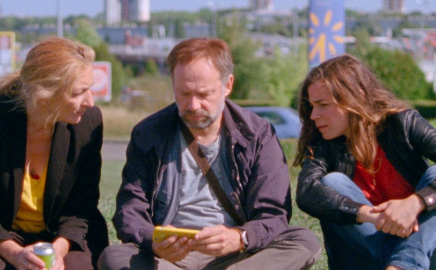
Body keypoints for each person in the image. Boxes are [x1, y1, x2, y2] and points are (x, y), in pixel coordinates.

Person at [98, 38, 321, 270]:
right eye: (184, 93)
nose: (193, 105)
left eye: (203, 94)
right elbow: (130, 209)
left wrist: (240, 237)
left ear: (228, 85)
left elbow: (274, 214)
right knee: (114, 257)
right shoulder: (148, 133)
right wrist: (152, 241)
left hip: (237, 256)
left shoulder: (257, 134)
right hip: (168, 258)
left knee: (304, 241)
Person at [0, 37, 109, 270]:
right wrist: (15, 254)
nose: (90, 101)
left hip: (65, 236)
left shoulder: (88, 122)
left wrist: (58, 251)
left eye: (90, 89)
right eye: (79, 92)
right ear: (44, 96)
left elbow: (82, 205)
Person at [294, 54, 436, 270]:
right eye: (312, 106)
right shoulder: (323, 144)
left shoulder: (403, 123)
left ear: (354, 97)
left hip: (422, 245)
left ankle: (403, 265)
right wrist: (372, 216)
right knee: (332, 182)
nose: (313, 115)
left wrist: (415, 203)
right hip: (368, 252)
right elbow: (307, 191)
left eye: (322, 105)